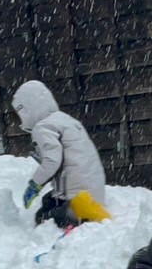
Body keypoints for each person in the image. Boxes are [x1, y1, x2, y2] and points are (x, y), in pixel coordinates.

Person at [12, 79, 108, 229]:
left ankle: (74, 220)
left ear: (27, 109)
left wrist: (34, 185)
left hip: (78, 200)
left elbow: (52, 161)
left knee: (42, 217)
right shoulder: (66, 120)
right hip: (94, 194)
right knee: (48, 200)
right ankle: (78, 213)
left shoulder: (43, 127)